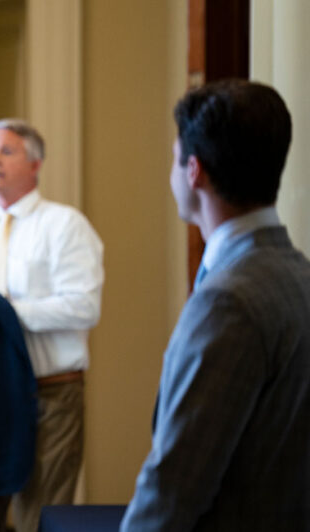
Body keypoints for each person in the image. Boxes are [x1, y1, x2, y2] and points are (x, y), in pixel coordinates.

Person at [121, 80, 309, 531]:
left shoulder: (227, 301)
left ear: (194, 171)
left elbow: (173, 487)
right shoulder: (299, 275)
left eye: (174, 158)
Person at [0, 119, 104, 532]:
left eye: (7, 151)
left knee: (43, 516)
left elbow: (84, 307)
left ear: (35, 164)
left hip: (50, 393)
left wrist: (3, 314)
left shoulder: (65, 225)